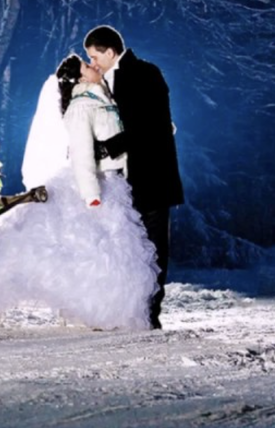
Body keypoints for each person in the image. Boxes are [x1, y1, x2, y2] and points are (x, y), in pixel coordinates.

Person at [0, 54, 158, 331]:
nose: (94, 66)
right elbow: (81, 153)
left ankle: (101, 312)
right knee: (89, 249)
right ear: (78, 79)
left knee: (103, 252)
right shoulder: (81, 106)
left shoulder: (101, 98)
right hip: (92, 185)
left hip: (112, 182)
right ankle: (94, 311)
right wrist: (91, 194)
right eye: (87, 66)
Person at [84, 25, 183, 330]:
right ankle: (128, 311)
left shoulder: (144, 73)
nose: (92, 63)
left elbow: (147, 126)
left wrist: (104, 147)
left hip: (152, 177)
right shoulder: (114, 78)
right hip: (128, 180)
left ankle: (149, 314)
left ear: (110, 52)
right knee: (128, 246)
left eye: (94, 56)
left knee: (152, 249)